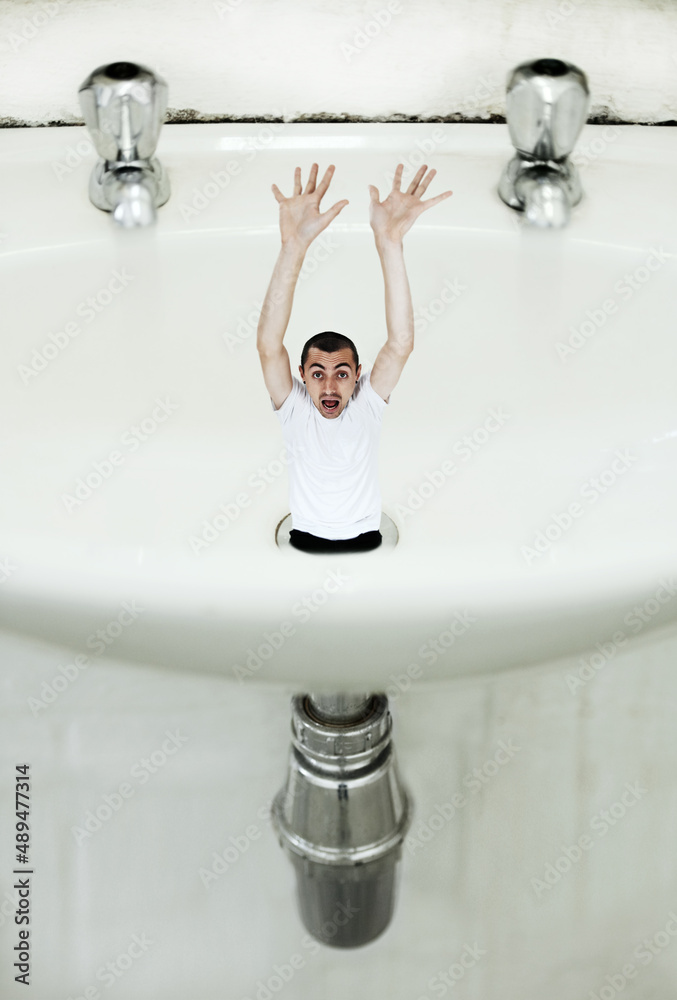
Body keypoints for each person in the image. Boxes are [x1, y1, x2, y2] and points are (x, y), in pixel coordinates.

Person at [256, 162, 452, 554]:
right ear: (301, 376)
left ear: (359, 375)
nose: (329, 386)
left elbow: (400, 343)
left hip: (368, 536)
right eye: (317, 373)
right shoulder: (294, 407)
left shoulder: (366, 405)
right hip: (304, 536)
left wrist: (389, 243)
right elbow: (268, 345)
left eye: (342, 373)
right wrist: (293, 247)